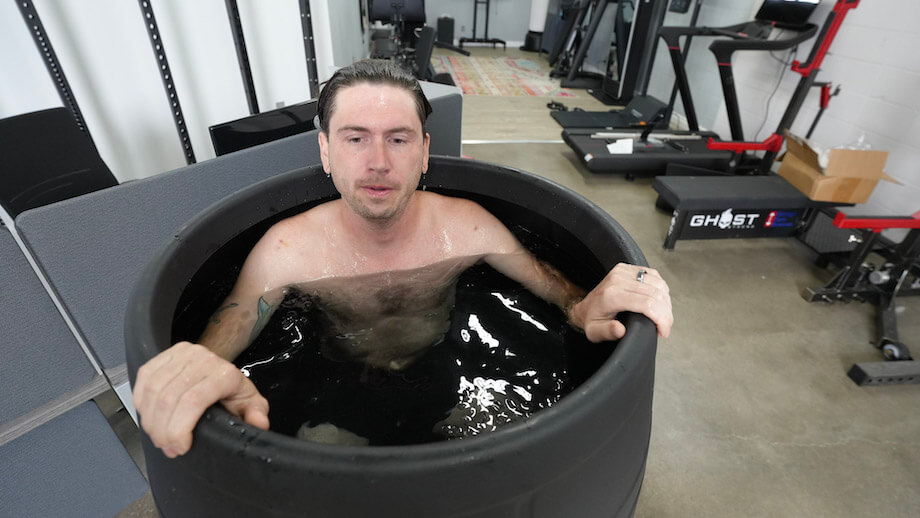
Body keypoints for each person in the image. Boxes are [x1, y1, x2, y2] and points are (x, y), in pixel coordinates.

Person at [133, 59, 673, 458]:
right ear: (324, 151)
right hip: (336, 377)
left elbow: (553, 288)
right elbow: (236, 316)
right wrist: (203, 362)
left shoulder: (466, 227)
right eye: (354, 139)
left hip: (442, 366)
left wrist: (587, 306)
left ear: (423, 153)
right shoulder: (288, 249)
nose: (377, 163)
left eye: (398, 139)